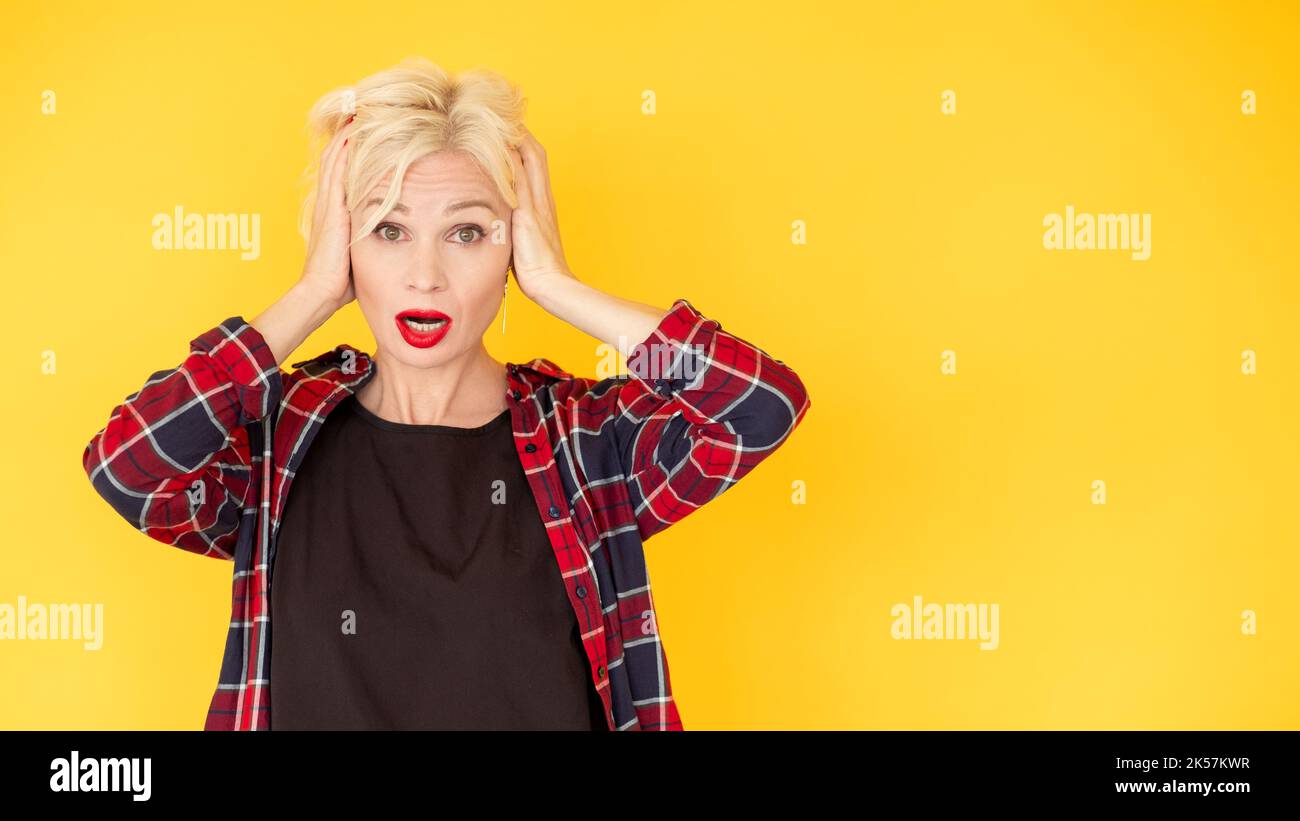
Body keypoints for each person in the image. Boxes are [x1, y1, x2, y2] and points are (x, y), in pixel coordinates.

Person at [81, 56, 811, 730]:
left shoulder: (590, 444)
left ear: (517, 247)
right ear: (342, 246)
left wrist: (560, 286)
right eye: (387, 230)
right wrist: (309, 294)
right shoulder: (276, 442)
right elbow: (127, 465)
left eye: (467, 232)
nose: (424, 275)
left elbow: (759, 404)